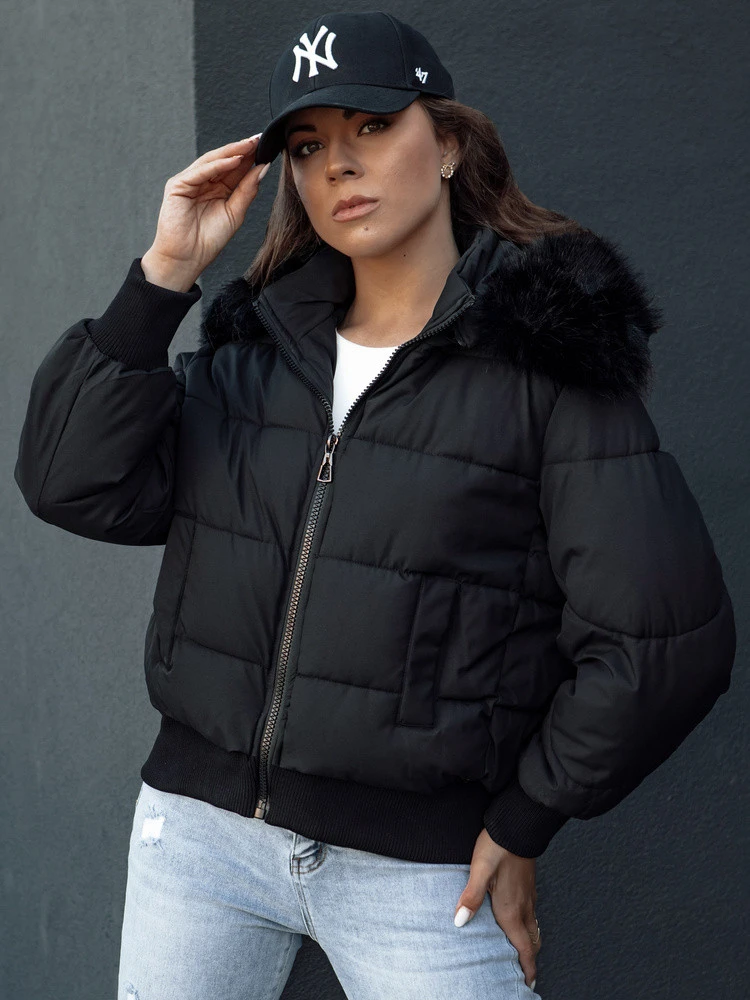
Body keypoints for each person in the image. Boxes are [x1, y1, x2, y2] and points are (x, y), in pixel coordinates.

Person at [14, 11, 736, 1000]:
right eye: (309, 147)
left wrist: (525, 818)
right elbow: (69, 480)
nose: (339, 165)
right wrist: (165, 275)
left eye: (373, 126)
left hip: (421, 874)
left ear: (449, 145)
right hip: (197, 843)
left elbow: (665, 641)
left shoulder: (547, 375)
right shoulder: (249, 361)